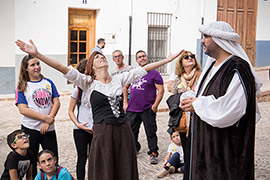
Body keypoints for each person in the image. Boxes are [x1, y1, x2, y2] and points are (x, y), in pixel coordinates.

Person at [15, 39, 183, 180]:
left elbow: (145, 69)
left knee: (124, 165)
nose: (101, 58)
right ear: (92, 66)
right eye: (96, 57)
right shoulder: (87, 82)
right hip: (103, 131)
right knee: (105, 167)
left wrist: (168, 60)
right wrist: (38, 55)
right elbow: (62, 68)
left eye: (102, 56)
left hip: (123, 130)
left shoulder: (120, 78)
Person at [180, 21, 262, 180]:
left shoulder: (238, 68)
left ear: (219, 39)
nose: (202, 41)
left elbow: (230, 109)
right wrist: (189, 99)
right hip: (205, 147)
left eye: (206, 36)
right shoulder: (211, 66)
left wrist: (196, 104)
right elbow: (200, 95)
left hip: (224, 153)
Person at [15, 54, 60, 178]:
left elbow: (56, 102)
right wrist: (45, 118)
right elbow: (23, 109)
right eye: (32, 65)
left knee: (53, 159)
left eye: (38, 64)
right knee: (32, 161)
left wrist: (48, 121)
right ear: (26, 68)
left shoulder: (48, 82)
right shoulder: (22, 86)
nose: (36, 67)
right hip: (30, 129)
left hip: (48, 129)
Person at [126, 50, 164, 164]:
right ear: (136, 60)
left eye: (143, 56)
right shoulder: (134, 72)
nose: (142, 58)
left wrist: (155, 105)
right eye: (139, 57)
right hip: (132, 108)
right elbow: (125, 86)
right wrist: (125, 103)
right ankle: (134, 150)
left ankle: (153, 153)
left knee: (150, 132)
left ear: (146, 58)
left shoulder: (154, 73)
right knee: (132, 132)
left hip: (147, 108)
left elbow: (161, 90)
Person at [169, 51, 201, 155]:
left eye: (192, 56)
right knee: (186, 149)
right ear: (181, 62)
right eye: (186, 57)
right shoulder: (178, 79)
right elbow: (172, 97)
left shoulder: (201, 76)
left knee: (198, 148)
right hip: (182, 118)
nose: (190, 58)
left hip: (198, 116)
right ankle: (187, 170)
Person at [68, 58, 93, 180]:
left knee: (95, 158)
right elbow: (70, 111)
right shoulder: (77, 90)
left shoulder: (98, 87)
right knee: (82, 158)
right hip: (80, 129)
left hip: (96, 129)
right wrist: (78, 124)